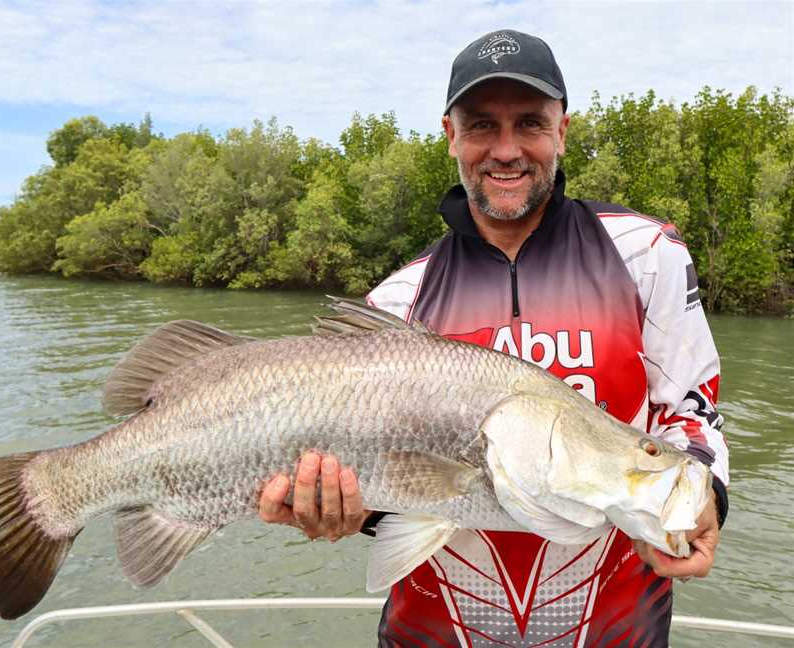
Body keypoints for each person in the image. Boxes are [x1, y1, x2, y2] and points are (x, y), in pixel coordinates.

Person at [259, 29, 728, 647]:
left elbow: (692, 410)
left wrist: (705, 502)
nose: (506, 150)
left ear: (562, 129)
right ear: (450, 134)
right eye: (482, 125)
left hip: (621, 629)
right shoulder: (399, 299)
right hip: (429, 631)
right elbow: (393, 486)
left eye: (530, 123)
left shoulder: (648, 254)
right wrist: (349, 511)